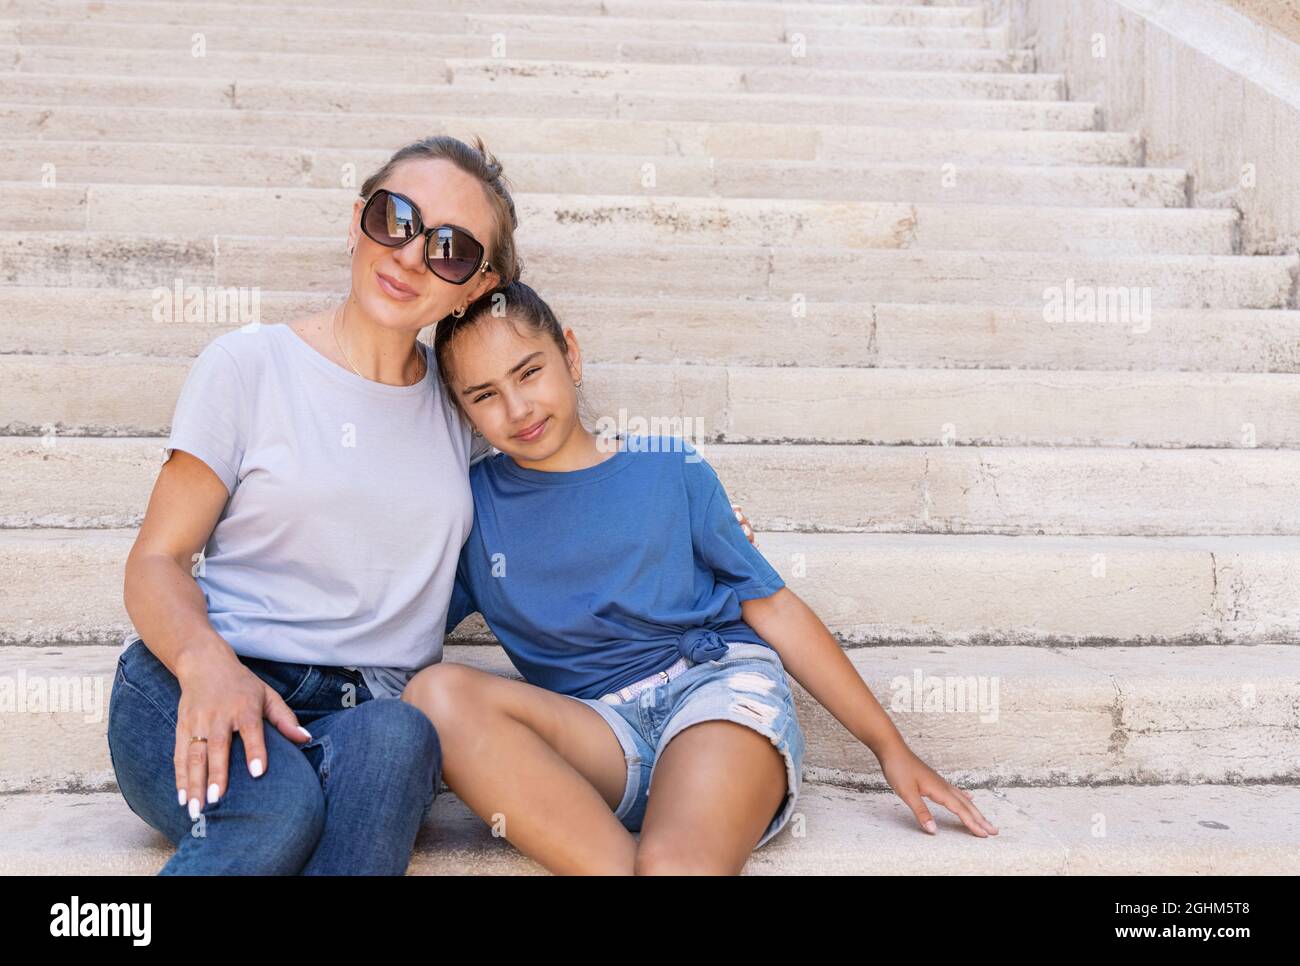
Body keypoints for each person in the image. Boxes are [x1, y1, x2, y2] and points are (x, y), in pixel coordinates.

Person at [402, 280, 1000, 875]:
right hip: (600, 738)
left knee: (672, 864)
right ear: (461, 410)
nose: (518, 408)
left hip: (715, 696)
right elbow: (395, 618)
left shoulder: (667, 467)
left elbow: (773, 607)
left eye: (529, 372)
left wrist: (889, 747)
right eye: (484, 395)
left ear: (571, 354)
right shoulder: (472, 510)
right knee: (436, 694)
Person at [106, 134, 520, 874]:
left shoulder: (467, 415)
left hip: (367, 714)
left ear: (477, 287)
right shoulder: (250, 366)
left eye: (450, 249)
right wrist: (210, 666)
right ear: (360, 217)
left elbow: (560, 507)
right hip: (202, 674)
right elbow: (158, 559)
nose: (411, 255)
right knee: (279, 807)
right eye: (396, 219)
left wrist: (687, 531)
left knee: (403, 736)